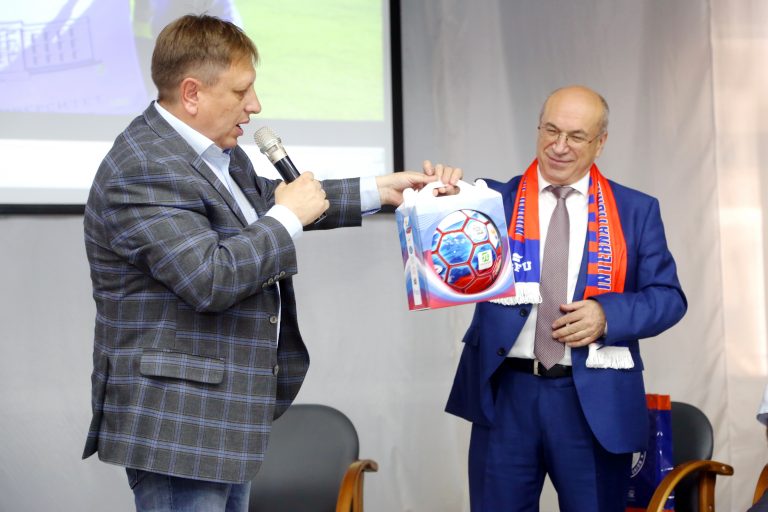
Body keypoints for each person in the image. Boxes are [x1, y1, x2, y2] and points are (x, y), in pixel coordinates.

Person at [81, 14, 460, 511]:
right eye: (241, 91)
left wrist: (380, 190)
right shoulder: (144, 166)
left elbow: (263, 201)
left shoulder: (213, 152)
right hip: (180, 425)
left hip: (220, 418)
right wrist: (287, 217)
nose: (255, 106)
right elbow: (210, 277)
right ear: (192, 93)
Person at [444, 85, 687, 511]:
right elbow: (443, 259)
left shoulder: (635, 210)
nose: (559, 146)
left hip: (592, 400)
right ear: (538, 129)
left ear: (600, 142)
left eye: (576, 136)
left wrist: (607, 315)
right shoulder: (491, 202)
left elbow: (669, 298)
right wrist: (437, 200)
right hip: (507, 395)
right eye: (551, 131)